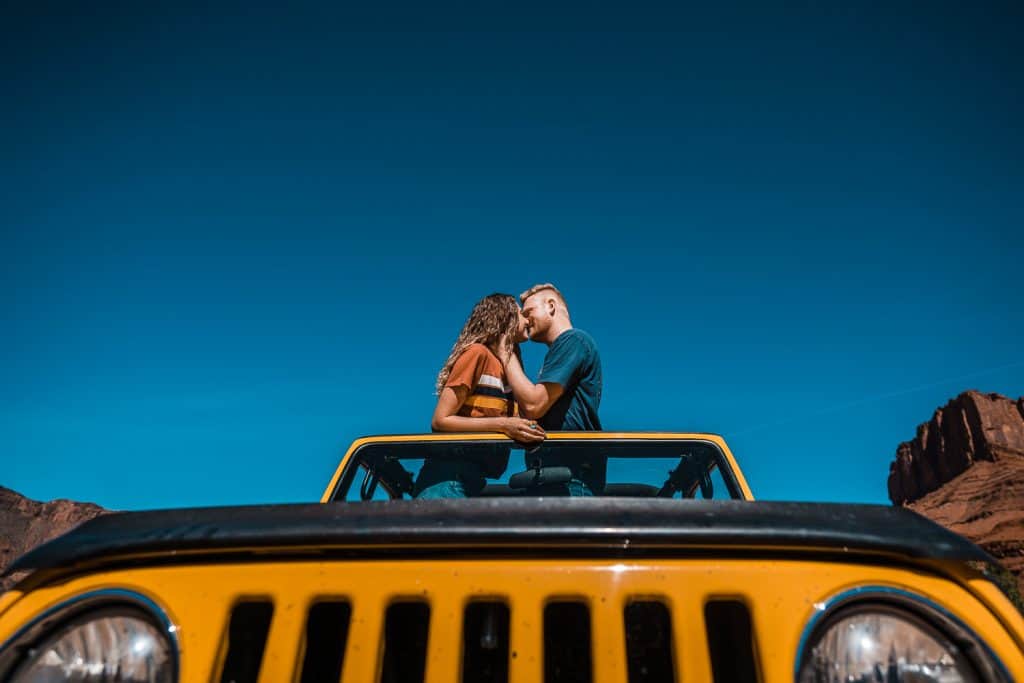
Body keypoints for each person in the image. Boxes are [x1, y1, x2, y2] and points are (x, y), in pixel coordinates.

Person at [414, 293, 546, 499]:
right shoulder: (477, 354)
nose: (527, 319)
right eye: (521, 314)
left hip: (472, 480)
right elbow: (441, 420)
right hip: (446, 481)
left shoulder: (509, 369)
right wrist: (504, 425)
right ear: (506, 318)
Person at [501, 283, 603, 495]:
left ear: (551, 306)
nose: (525, 320)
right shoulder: (563, 349)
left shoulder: (573, 340)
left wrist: (505, 350)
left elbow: (533, 404)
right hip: (554, 476)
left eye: (528, 312)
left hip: (569, 480)